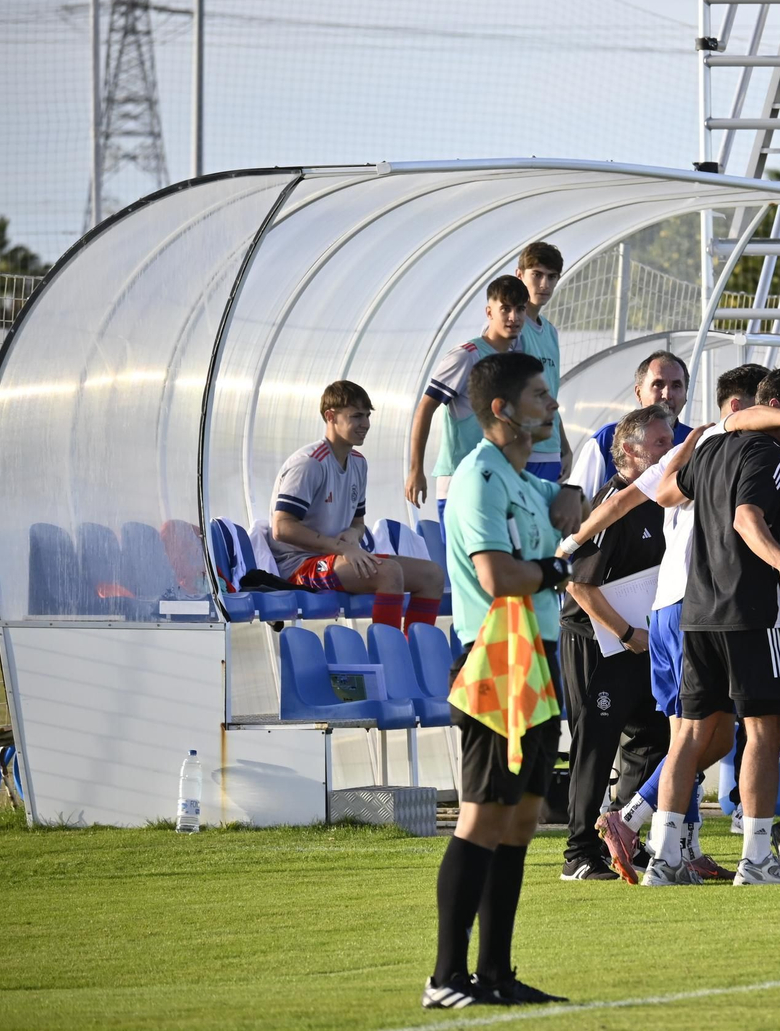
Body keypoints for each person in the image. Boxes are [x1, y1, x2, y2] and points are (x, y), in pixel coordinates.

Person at [585, 364, 779, 885]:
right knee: (692, 733)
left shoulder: (700, 449)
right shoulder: (699, 447)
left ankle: (673, 841)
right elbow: (623, 501)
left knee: (709, 735)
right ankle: (641, 827)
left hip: (697, 606)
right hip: (685, 605)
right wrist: (571, 543)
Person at [644, 366, 780, 886]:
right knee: (765, 732)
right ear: (774, 409)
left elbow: (666, 491)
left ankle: (664, 858)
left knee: (689, 734)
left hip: (697, 613)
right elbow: (746, 518)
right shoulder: (771, 454)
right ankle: (756, 859)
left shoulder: (709, 449)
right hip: (748, 612)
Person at [425, 352, 571, 1009]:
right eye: (540, 395)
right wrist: (555, 572)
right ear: (502, 410)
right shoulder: (479, 477)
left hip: (536, 659)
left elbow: (569, 511)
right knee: (483, 816)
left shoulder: (521, 479)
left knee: (521, 819)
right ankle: (445, 978)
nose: (553, 404)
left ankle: (494, 974)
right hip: (497, 658)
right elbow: (499, 577)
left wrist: (573, 497)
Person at [558, 405, 674, 882]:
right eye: (660, 443)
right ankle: (579, 852)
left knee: (652, 737)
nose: (669, 450)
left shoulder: (660, 499)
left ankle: (624, 835)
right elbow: (577, 584)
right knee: (595, 744)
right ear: (629, 450)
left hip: (639, 641)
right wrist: (626, 633)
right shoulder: (610, 504)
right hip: (597, 641)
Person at [268, 380, 444, 631]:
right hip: (300, 565)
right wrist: (342, 548)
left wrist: (353, 535)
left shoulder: (359, 463)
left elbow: (358, 523)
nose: (366, 424)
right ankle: (389, 650)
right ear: (331, 416)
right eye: (357, 416)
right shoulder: (309, 463)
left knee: (432, 575)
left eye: (367, 415)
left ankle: (414, 648)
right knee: (389, 573)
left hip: (337, 558)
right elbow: (282, 528)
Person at [404, 275, 529, 520]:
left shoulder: (517, 357)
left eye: (520, 309)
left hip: (497, 480)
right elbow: (425, 408)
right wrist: (416, 470)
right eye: (505, 309)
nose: (513, 317)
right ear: (489, 312)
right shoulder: (466, 355)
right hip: (460, 481)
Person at [567, 350, 694, 497]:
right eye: (658, 384)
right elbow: (576, 502)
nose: (667, 395)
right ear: (638, 392)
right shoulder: (607, 437)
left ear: (686, 395)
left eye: (676, 385)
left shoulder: (697, 441)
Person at [513, 241, 574, 483]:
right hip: (520, 449)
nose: (544, 284)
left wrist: (564, 447)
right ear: (519, 275)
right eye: (537, 275)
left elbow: (550, 397)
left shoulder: (550, 332)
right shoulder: (510, 329)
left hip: (550, 451)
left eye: (551, 277)